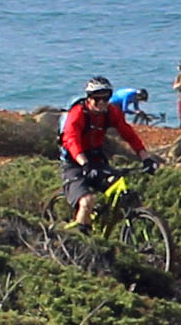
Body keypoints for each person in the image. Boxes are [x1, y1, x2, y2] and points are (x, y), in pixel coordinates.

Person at [60, 76, 148, 227]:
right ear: (88, 98)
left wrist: (146, 157)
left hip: (96, 159)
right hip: (74, 163)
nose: (102, 102)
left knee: (122, 192)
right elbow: (71, 140)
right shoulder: (78, 114)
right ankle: (81, 239)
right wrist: (85, 164)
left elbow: (128, 134)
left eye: (106, 98)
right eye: (97, 98)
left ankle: (110, 227)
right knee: (87, 201)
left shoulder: (111, 112)